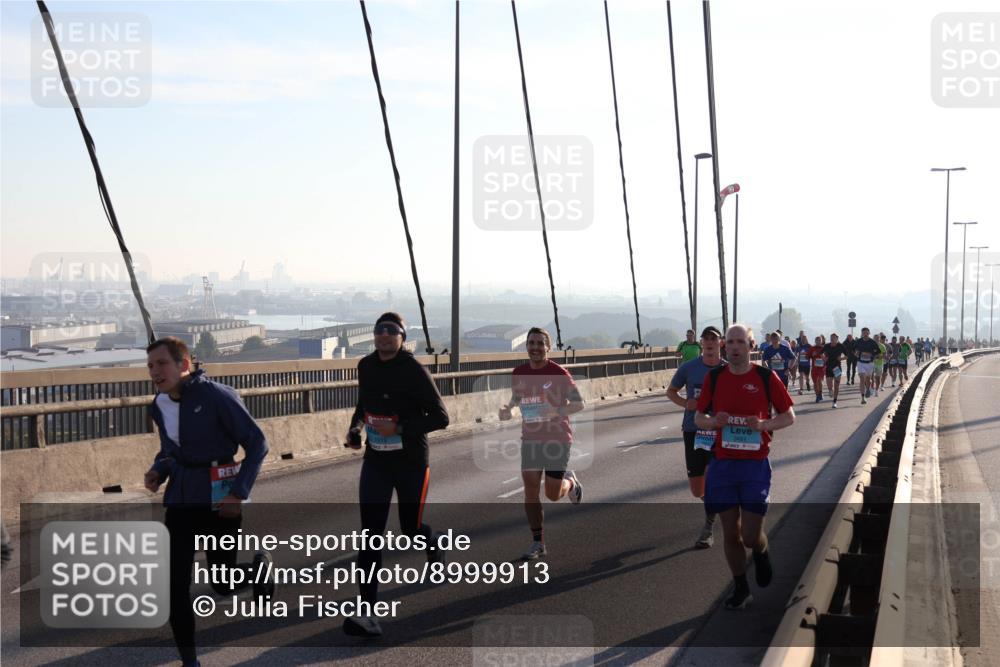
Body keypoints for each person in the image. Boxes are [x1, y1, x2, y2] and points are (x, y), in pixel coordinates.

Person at [144, 337, 271, 667]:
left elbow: (257, 444)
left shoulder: (217, 396)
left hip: (220, 498)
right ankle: (190, 662)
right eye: (150, 366)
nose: (155, 371)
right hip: (181, 501)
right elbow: (170, 450)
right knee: (174, 587)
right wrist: (158, 470)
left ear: (184, 364)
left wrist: (238, 492)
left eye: (162, 364)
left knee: (223, 583)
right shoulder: (159, 404)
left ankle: (258, 572)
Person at [343, 312, 450, 638]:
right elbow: (364, 404)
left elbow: (441, 417)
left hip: (411, 464)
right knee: (370, 537)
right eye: (379, 331)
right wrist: (355, 428)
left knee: (411, 529)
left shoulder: (414, 370)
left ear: (402, 337)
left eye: (391, 332)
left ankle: (433, 545)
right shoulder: (366, 366)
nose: (384, 336)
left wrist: (400, 428)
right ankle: (368, 614)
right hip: (376, 462)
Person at [694, 324, 795, 610]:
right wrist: (714, 422)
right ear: (725, 346)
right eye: (731, 342)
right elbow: (698, 417)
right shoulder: (714, 378)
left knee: (750, 535)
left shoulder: (765, 377)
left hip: (754, 465)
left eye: (741, 341)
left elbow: (789, 416)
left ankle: (761, 550)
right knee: (730, 532)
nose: (735, 346)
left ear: (751, 346)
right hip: (724, 464)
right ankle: (741, 588)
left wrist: (765, 425)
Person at [500, 327, 585, 560]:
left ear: (548, 347)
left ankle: (571, 482)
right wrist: (508, 409)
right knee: (530, 487)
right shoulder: (519, 372)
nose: (535, 347)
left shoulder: (559, 373)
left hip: (557, 438)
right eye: (531, 343)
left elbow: (579, 404)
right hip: (531, 438)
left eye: (540, 343)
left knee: (552, 494)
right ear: (526, 346)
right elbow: (518, 397)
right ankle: (538, 542)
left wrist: (556, 410)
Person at [666, 326, 726, 548]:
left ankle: (708, 528)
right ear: (701, 343)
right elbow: (671, 391)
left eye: (714, 339)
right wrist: (687, 403)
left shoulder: (728, 369)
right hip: (693, 430)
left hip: (719, 431)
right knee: (697, 489)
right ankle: (715, 506)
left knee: (712, 480)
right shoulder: (689, 367)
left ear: (720, 343)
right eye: (706, 339)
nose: (710, 342)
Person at [854, 328, 880, 405]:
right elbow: (853, 350)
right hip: (861, 362)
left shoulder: (872, 342)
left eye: (867, 333)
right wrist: (856, 353)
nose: (865, 334)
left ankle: (868, 388)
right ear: (862, 333)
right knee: (862, 378)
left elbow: (878, 352)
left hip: (869, 363)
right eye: (864, 333)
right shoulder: (858, 341)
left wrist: (871, 355)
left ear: (869, 333)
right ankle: (862, 398)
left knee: (868, 379)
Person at [822, 333, 847, 408]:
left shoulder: (841, 346)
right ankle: (830, 390)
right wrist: (824, 358)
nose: (832, 339)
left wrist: (841, 359)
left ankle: (834, 401)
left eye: (833, 338)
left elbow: (847, 355)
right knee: (829, 385)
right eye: (831, 338)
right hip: (829, 366)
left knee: (836, 385)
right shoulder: (827, 346)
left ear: (837, 339)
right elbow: (820, 353)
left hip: (837, 367)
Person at [808, 335, 826, 402]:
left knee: (819, 380)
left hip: (821, 368)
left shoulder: (824, 348)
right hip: (814, 368)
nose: (818, 341)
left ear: (821, 341)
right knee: (815, 382)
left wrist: (824, 357)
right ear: (815, 341)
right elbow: (807, 356)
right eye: (817, 340)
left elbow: (827, 357)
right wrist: (812, 355)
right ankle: (817, 395)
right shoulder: (812, 348)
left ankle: (820, 393)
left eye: (819, 340)